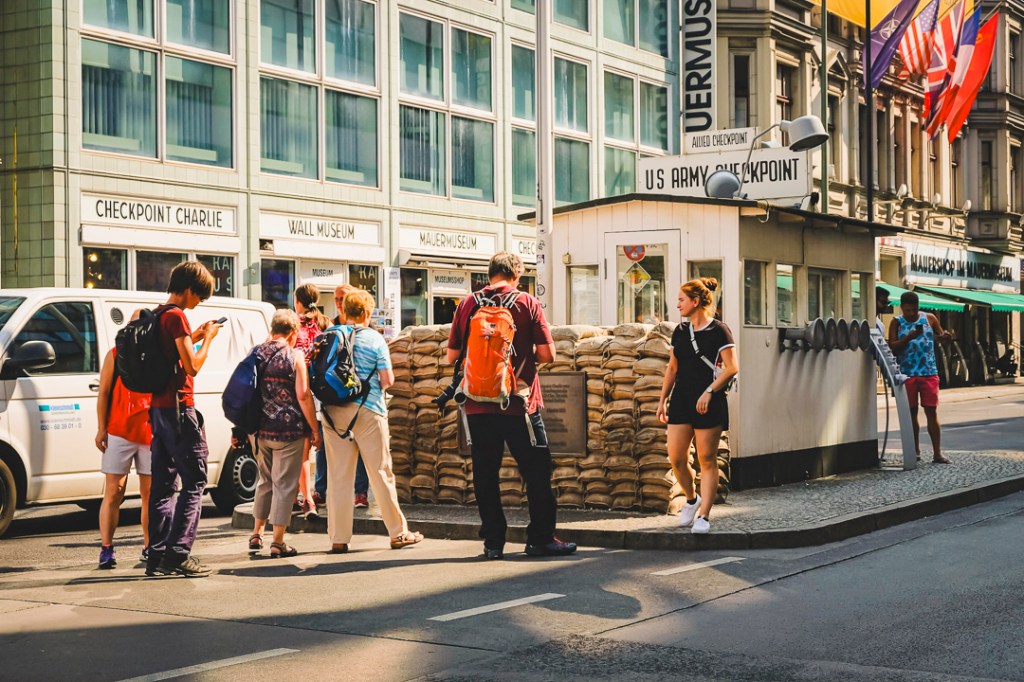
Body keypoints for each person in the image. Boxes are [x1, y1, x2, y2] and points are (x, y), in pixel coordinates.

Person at [446, 251, 576, 559]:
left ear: (489, 274)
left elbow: (452, 356)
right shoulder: (526, 302)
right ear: (517, 275)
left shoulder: (468, 304)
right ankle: (540, 539)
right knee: (537, 471)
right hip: (520, 404)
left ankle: (493, 543)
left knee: (486, 473)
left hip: (477, 404)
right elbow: (548, 355)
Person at [321, 289, 422, 553]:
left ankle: (339, 539)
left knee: (339, 476)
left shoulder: (330, 336)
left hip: (333, 413)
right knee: (380, 471)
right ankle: (398, 533)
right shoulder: (375, 340)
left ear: (344, 311)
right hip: (368, 410)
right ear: (366, 313)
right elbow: (387, 381)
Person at [146, 261, 220, 578]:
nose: (198, 303)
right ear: (190, 289)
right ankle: (178, 554)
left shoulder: (157, 314)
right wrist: (210, 339)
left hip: (158, 410)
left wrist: (197, 334)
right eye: (199, 297)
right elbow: (191, 367)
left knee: (163, 486)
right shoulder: (177, 317)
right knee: (194, 482)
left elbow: (173, 357)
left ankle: (157, 554)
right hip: (180, 410)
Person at [657, 278, 738, 535]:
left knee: (706, 459)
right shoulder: (680, 331)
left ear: (696, 301)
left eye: (682, 299)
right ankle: (692, 500)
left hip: (709, 401)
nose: (677, 304)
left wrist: (709, 392)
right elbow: (672, 367)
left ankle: (704, 516)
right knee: (677, 457)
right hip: (682, 398)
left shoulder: (719, 330)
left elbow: (732, 367)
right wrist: (662, 399)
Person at [248, 310, 322, 557]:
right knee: (284, 485)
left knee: (265, 481)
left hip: (260, 429)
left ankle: (257, 533)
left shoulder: (255, 352)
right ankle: (278, 541)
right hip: (288, 431)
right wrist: (314, 429)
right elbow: (303, 395)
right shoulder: (295, 355)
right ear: (292, 333)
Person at [94, 312, 152, 570]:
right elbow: (104, 392)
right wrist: (101, 428)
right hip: (119, 429)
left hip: (150, 431)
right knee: (113, 492)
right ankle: (106, 548)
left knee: (149, 494)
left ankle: (149, 547)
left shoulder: (157, 352)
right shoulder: (115, 354)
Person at [311, 285, 370, 509]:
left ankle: (360, 493)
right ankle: (321, 490)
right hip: (332, 395)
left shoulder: (365, 328)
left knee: (359, 445)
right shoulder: (331, 325)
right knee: (324, 447)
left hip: (357, 395)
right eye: (335, 299)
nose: (338, 302)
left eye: (342, 298)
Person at [888, 291, 952, 464]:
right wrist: (909, 337)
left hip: (929, 372)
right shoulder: (896, 323)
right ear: (902, 308)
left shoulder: (929, 318)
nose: (911, 314)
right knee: (911, 413)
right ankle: (915, 451)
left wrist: (946, 338)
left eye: (914, 310)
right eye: (908, 310)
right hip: (907, 374)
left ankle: (937, 453)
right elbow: (891, 347)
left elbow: (941, 339)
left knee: (931, 411)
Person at [293, 284, 329, 519]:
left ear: (298, 301)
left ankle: (306, 499)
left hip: (300, 392)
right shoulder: (327, 324)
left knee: (302, 453)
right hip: (325, 393)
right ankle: (325, 493)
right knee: (328, 448)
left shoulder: (293, 325)